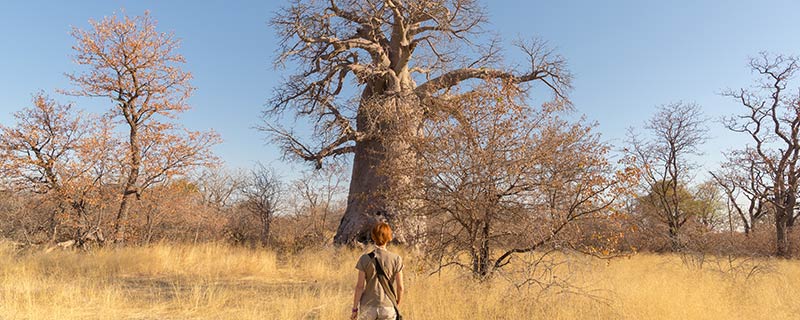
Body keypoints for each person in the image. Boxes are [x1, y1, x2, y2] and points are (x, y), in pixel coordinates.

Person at [351, 222, 404, 320]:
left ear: (373, 237)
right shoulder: (396, 259)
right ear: (389, 237)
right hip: (388, 305)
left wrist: (355, 309)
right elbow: (400, 287)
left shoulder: (364, 259)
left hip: (368, 306)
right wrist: (397, 303)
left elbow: (360, 286)